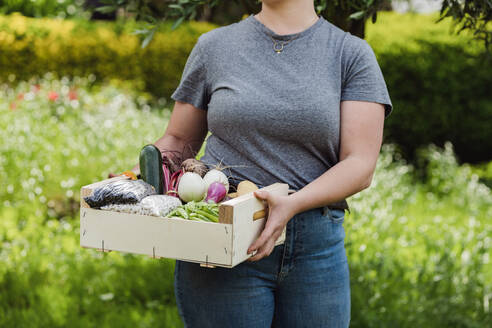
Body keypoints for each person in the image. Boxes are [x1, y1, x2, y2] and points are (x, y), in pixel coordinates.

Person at [129, 0, 392, 326]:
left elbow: (360, 163)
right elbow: (179, 140)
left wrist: (293, 204)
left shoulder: (350, 54)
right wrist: (142, 175)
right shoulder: (214, 47)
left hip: (315, 248)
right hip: (222, 234)